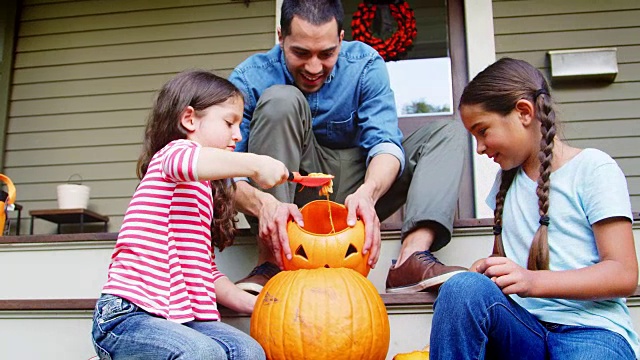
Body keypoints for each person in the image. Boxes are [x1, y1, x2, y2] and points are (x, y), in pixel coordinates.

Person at [228, 0, 467, 295]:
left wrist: (369, 192)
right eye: (300, 53)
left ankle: (411, 258)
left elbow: (384, 143)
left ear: (341, 38)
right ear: (281, 37)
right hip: (288, 191)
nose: (314, 67)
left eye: (326, 54)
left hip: (355, 189)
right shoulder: (250, 77)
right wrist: (262, 204)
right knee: (281, 100)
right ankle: (274, 261)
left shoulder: (365, 65)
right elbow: (225, 170)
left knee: (447, 133)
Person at [429, 58, 640, 359]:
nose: (479, 148)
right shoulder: (507, 183)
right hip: (524, 329)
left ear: (524, 112)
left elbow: (623, 274)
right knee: (461, 289)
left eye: (483, 131)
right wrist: (491, 273)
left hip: (592, 332)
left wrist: (532, 281)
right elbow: (513, 268)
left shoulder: (593, 168)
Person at [91, 70, 289, 360]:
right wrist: (256, 164)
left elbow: (204, 271)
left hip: (182, 319)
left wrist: (256, 305)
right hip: (128, 318)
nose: (238, 135)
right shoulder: (170, 157)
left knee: (248, 351)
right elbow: (193, 160)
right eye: (229, 123)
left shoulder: (203, 190)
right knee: (202, 352)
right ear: (189, 119)